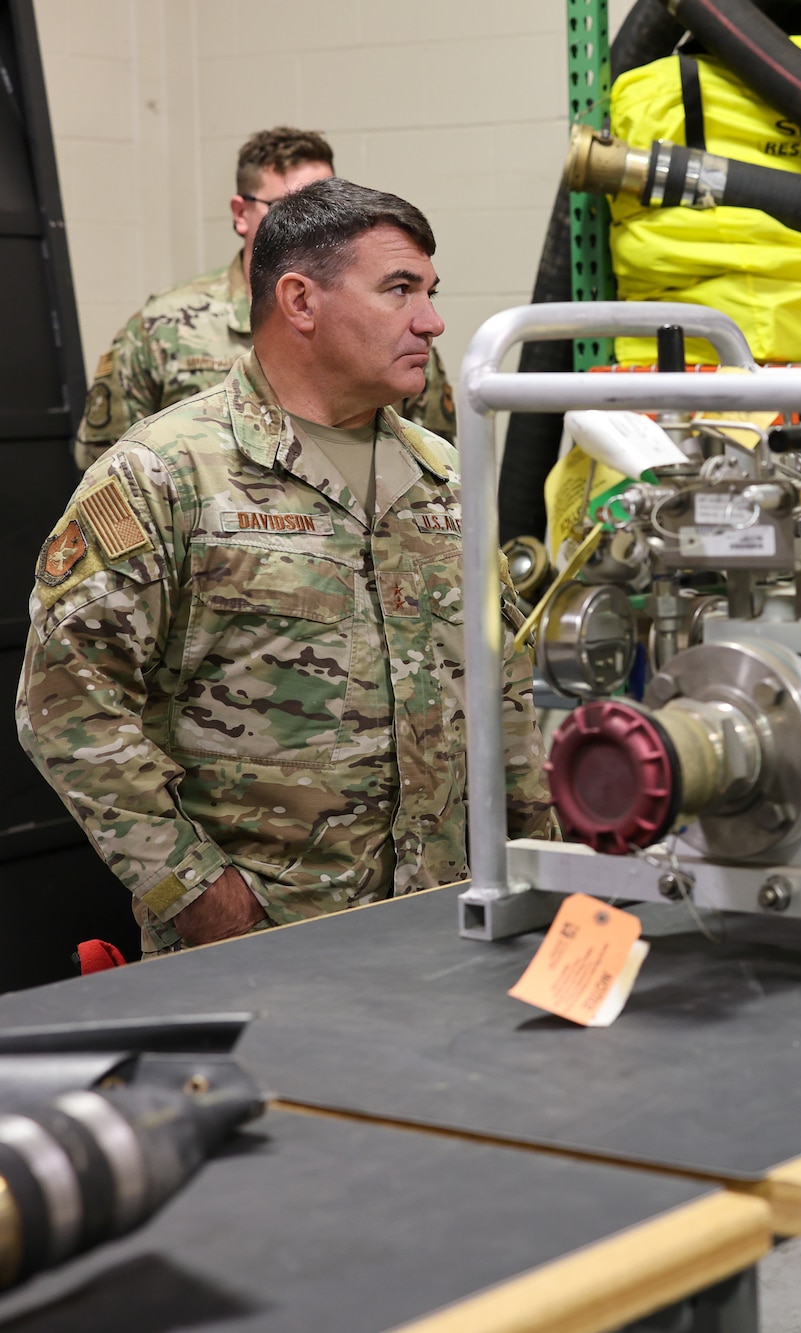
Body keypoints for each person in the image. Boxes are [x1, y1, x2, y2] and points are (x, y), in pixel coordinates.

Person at [18, 179, 553, 955]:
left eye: (430, 292)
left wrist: (542, 872)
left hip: (448, 931)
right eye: (399, 289)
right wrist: (201, 897)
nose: (432, 321)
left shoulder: (444, 475)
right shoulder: (167, 474)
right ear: (301, 300)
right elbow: (67, 709)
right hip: (264, 946)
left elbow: (506, 695)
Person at [72, 127, 457, 472]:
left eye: (323, 201)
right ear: (241, 213)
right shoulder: (165, 325)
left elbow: (427, 456)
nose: (314, 219)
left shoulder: (397, 336)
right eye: (289, 203)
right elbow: (108, 460)